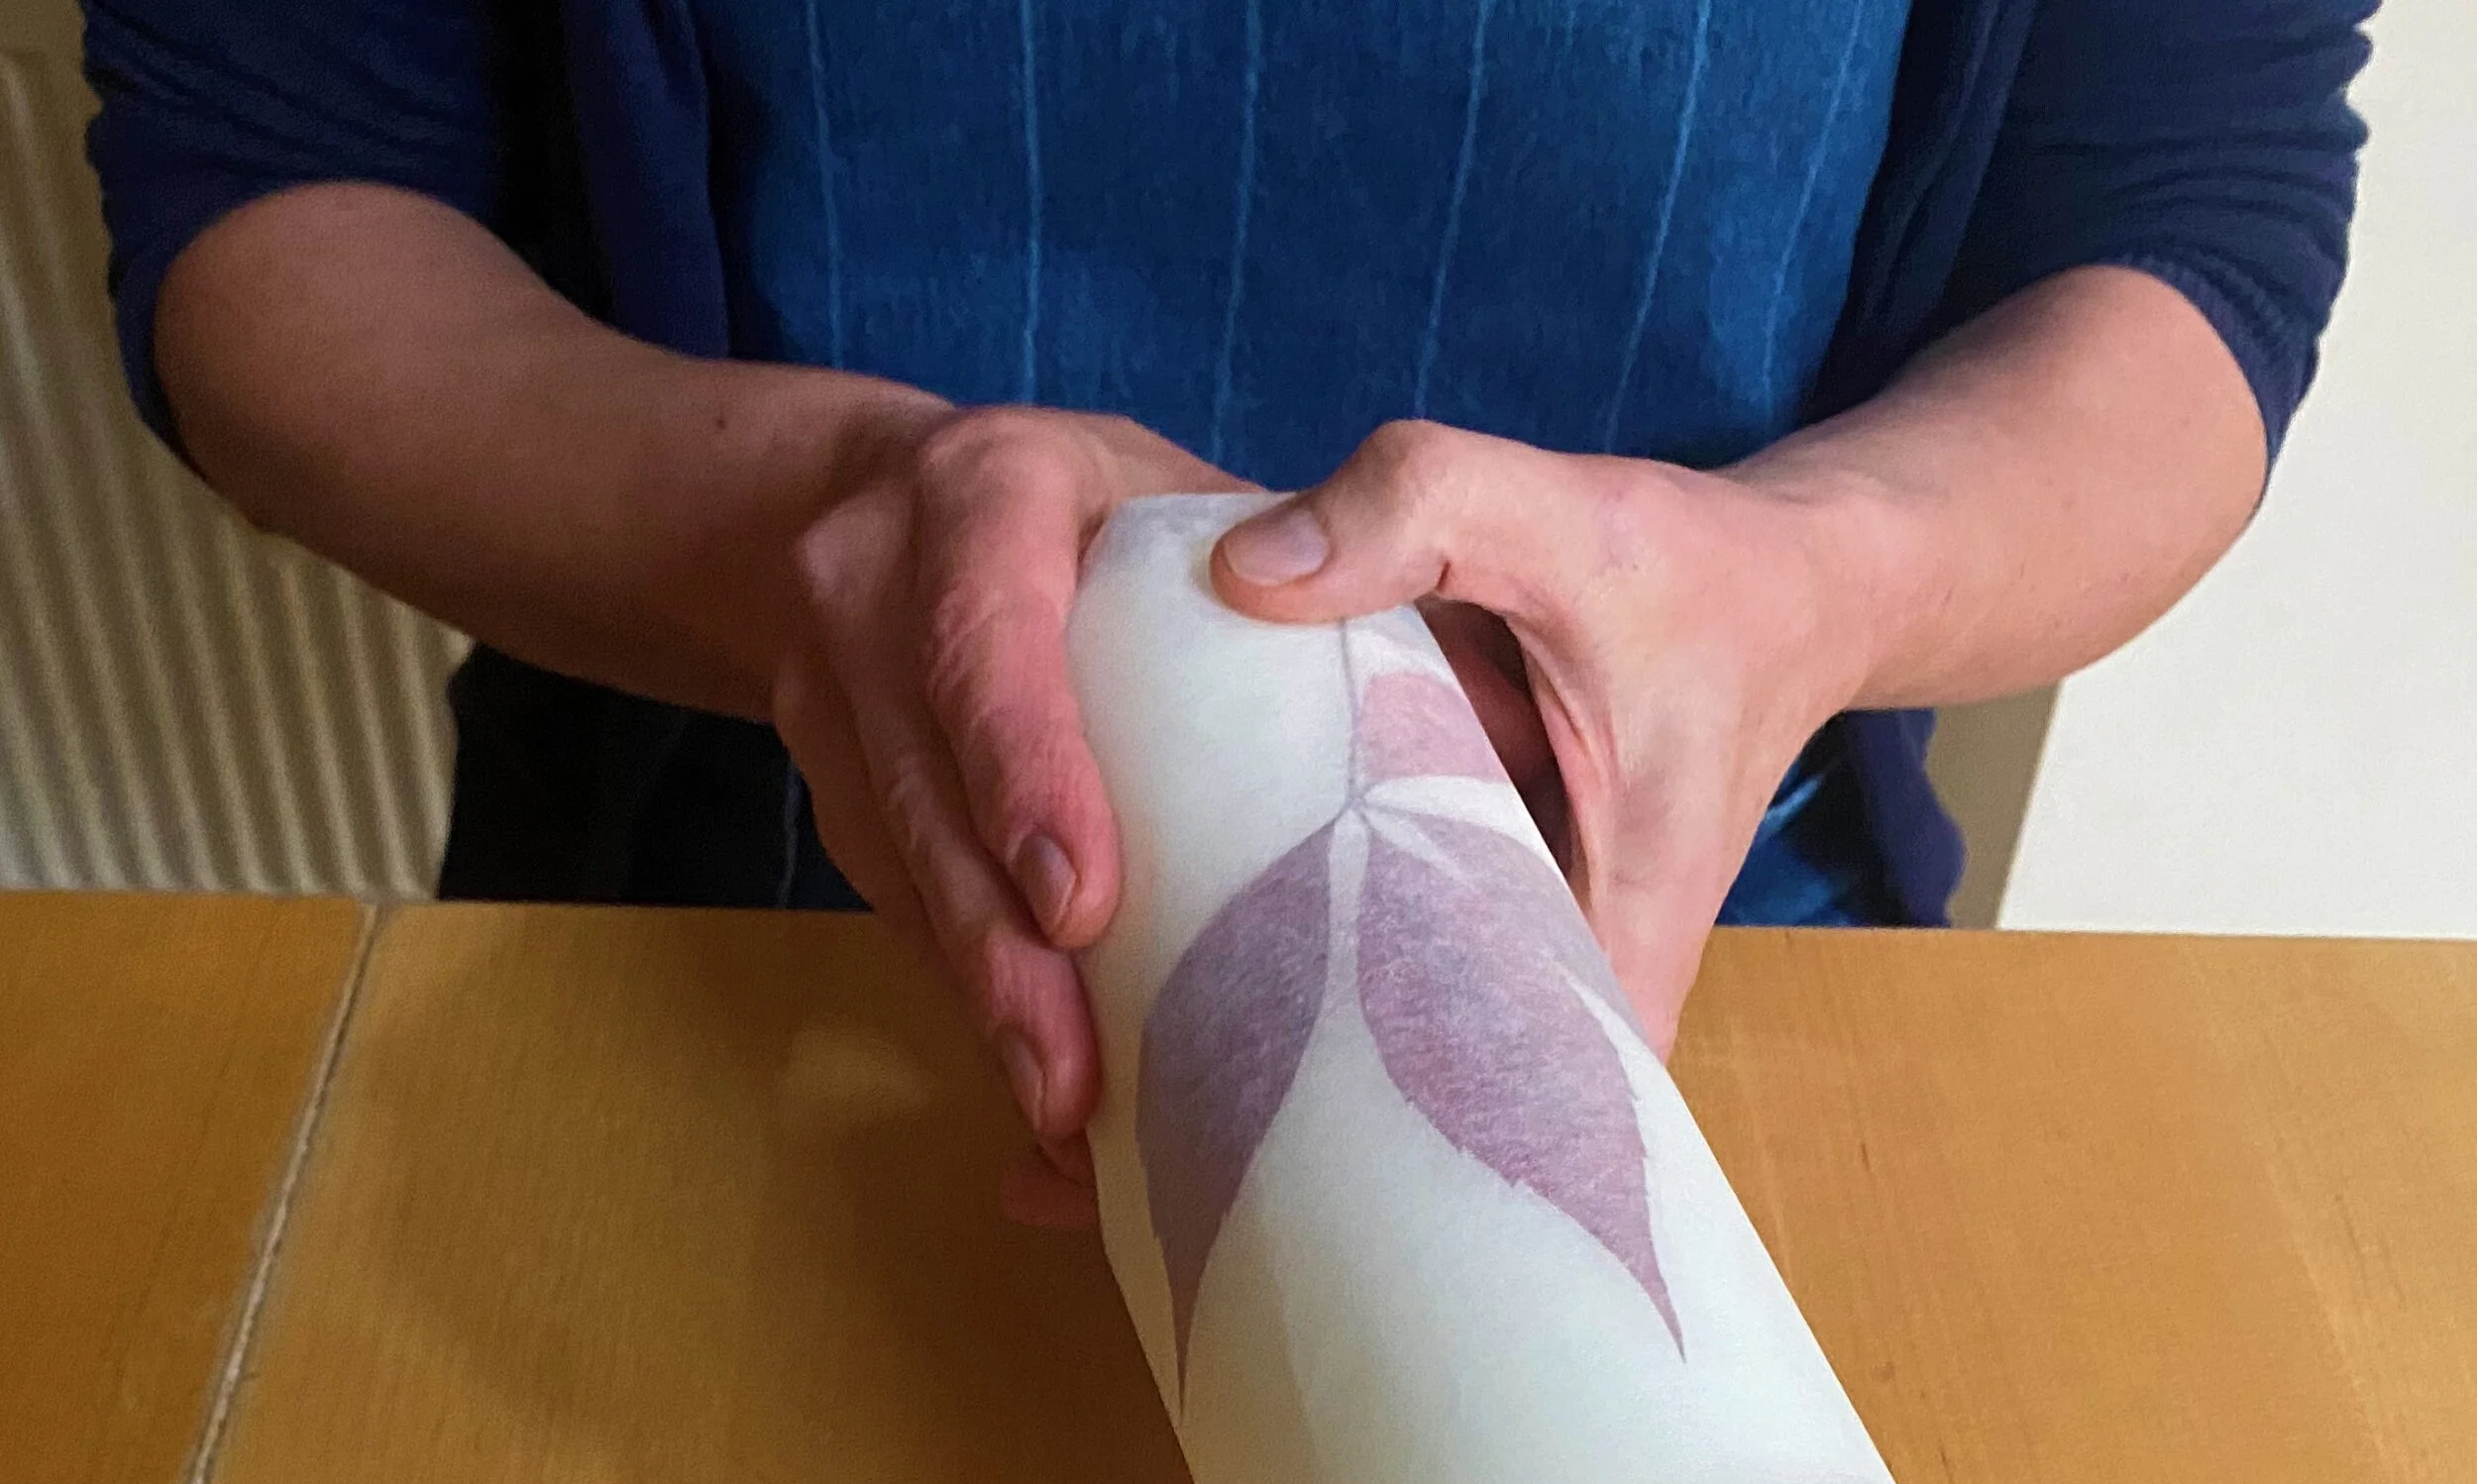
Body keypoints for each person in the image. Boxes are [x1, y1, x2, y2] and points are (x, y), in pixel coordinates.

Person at [85, 0, 2368, 1220]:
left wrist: (1808, 571)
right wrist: (824, 527)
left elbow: (2182, 238)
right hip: (736, 958)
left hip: (1691, 968)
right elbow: (272, 193)